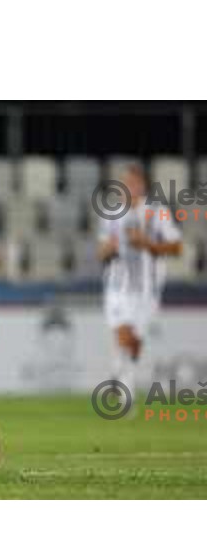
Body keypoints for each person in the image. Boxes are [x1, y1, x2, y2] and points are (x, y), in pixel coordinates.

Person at [97, 164, 182, 406]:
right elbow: (101, 252)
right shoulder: (111, 213)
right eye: (125, 184)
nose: (129, 189)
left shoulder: (158, 213)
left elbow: (176, 247)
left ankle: (118, 374)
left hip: (147, 288)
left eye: (133, 184)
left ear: (142, 186)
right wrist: (108, 249)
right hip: (116, 286)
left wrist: (147, 243)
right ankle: (127, 392)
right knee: (123, 333)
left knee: (134, 341)